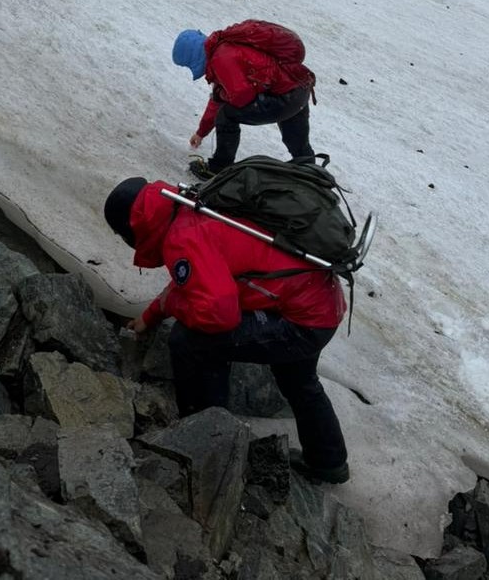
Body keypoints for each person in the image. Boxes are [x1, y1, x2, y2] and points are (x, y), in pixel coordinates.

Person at [104, 176, 350, 483]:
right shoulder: (186, 209)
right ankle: (329, 462)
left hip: (301, 320)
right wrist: (151, 315)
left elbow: (220, 315)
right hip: (318, 302)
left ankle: (206, 440)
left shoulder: (182, 237)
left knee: (189, 341)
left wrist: (176, 310)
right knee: (299, 380)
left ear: (132, 227)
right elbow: (196, 282)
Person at [171, 24, 316, 181]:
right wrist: (201, 132)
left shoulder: (221, 58)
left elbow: (241, 96)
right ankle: (311, 174)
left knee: (227, 115)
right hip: (298, 88)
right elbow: (219, 97)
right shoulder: (224, 47)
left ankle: (218, 168)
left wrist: (220, 94)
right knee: (296, 139)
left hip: (285, 96)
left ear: (192, 56)